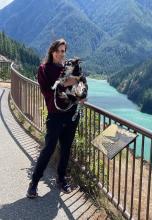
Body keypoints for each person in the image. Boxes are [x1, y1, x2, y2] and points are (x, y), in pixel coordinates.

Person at [26, 38, 87, 198]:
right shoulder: (44, 69)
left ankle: (61, 178)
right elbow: (47, 92)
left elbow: (79, 86)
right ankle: (34, 183)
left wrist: (81, 93)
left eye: (63, 51)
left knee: (66, 149)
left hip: (72, 115)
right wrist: (65, 83)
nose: (61, 54)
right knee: (49, 149)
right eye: (58, 51)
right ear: (52, 51)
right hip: (55, 116)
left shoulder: (70, 68)